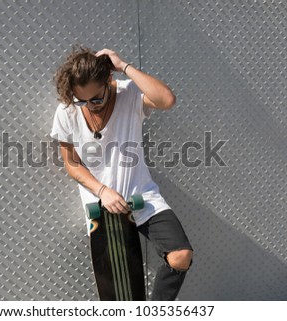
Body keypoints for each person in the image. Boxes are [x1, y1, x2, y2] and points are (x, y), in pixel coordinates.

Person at [50, 46, 193, 300]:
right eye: (81, 99)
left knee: (180, 255)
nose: (89, 105)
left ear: (109, 80)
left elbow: (167, 100)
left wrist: (123, 65)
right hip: (102, 208)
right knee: (118, 293)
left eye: (96, 98)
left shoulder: (129, 94)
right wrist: (102, 191)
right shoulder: (67, 111)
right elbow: (71, 163)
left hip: (141, 196)